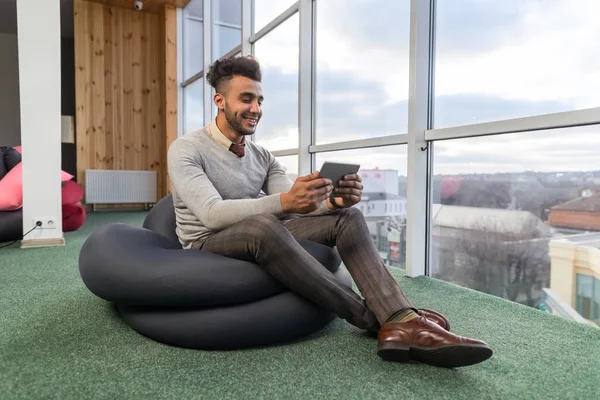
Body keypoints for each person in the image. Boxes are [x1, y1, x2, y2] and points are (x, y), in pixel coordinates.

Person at [167, 55, 493, 368]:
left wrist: (332, 202)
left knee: (346, 219)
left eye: (260, 101)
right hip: (206, 242)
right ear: (220, 101)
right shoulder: (187, 148)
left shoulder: (263, 155)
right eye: (246, 99)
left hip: (256, 233)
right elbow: (211, 213)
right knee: (264, 226)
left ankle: (399, 318)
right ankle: (374, 318)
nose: (255, 109)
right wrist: (286, 202)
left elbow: (293, 199)